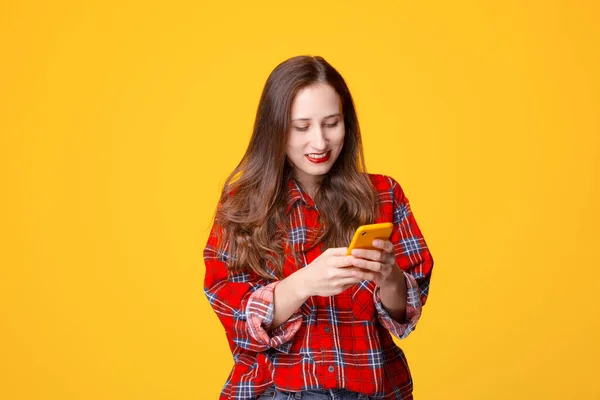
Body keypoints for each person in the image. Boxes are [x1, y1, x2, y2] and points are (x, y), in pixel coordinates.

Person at [203, 55, 434, 400]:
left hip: (372, 389)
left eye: (331, 123)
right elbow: (236, 318)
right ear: (275, 129)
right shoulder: (242, 204)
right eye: (301, 127)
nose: (320, 142)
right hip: (274, 390)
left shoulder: (384, 195)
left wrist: (390, 278)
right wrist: (304, 283)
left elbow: (405, 320)